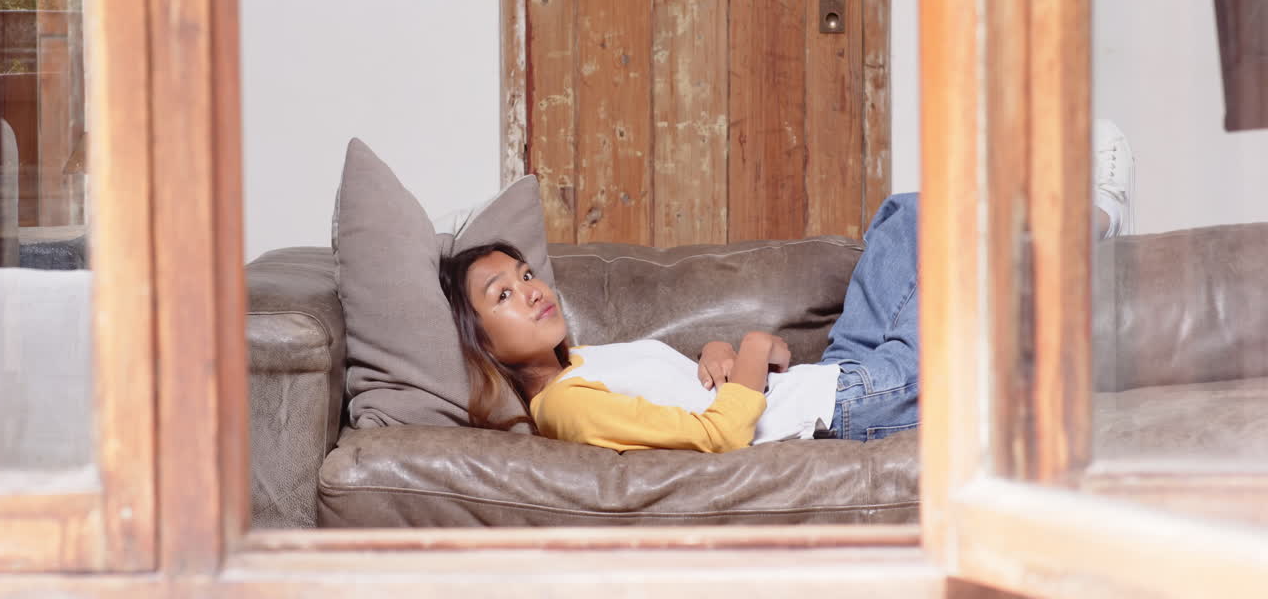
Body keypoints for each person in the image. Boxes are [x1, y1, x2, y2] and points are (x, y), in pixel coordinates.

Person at [438, 120, 1135, 452]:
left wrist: (716, 351)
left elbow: (714, 385)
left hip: (829, 379)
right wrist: (746, 349)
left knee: (907, 215)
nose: (531, 289)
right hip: (849, 408)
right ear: (482, 345)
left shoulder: (585, 365)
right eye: (503, 295)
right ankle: (1087, 224)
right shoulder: (565, 406)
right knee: (950, 251)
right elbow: (719, 434)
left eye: (525, 274)